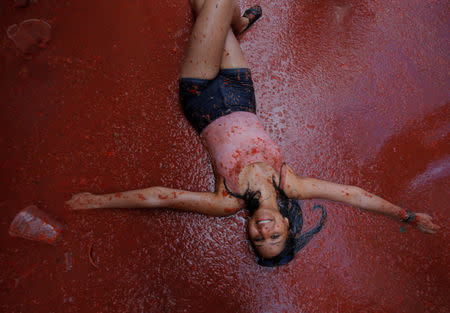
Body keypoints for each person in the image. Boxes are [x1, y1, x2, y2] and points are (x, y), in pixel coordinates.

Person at [67, 0, 440, 266]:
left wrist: (99, 201)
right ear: (287, 228)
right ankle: (237, 25)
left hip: (201, 94)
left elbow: (160, 198)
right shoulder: (291, 184)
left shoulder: (226, 201)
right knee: (207, 6)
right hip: (241, 91)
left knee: (212, 3)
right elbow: (355, 196)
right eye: (275, 237)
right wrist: (405, 216)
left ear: (249, 230)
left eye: (259, 240)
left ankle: (235, 23)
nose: (265, 232)